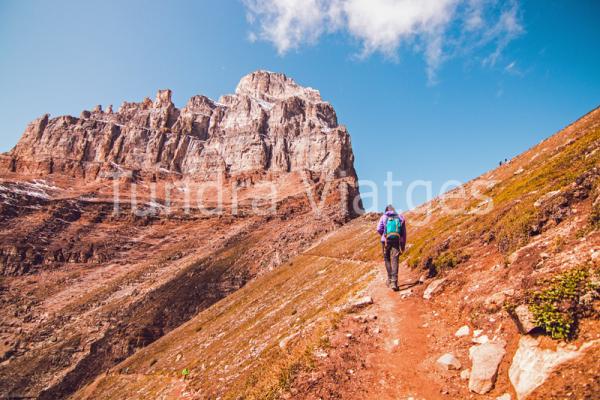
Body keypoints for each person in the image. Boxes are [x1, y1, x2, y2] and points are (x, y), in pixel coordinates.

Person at [376, 205, 407, 291]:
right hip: (396, 241)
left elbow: (378, 229)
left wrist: (384, 235)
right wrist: (403, 245)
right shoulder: (400, 217)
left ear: (386, 210)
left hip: (385, 241)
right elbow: (403, 233)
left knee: (387, 259)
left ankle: (389, 279)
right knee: (395, 260)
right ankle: (394, 282)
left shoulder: (384, 217)